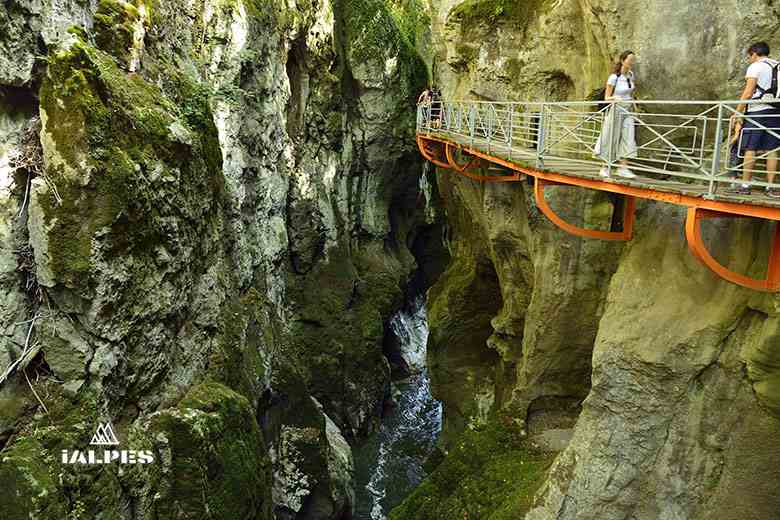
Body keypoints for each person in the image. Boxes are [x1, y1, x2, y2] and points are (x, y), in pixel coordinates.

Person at [733, 41, 780, 197]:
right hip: (776, 111)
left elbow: (748, 92)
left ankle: (745, 185)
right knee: (772, 150)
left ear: (754, 53)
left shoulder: (756, 66)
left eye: (749, 56)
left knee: (750, 148)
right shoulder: (777, 66)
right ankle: (770, 187)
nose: (749, 59)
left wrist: (737, 112)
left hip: (757, 111)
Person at [594, 50, 638, 178]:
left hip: (628, 110)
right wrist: (615, 98)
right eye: (630, 60)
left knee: (628, 136)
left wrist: (635, 107)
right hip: (616, 109)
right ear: (623, 60)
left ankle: (623, 167)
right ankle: (605, 167)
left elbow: (631, 94)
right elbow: (607, 97)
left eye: (633, 60)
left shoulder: (630, 75)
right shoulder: (614, 77)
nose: (632, 62)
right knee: (611, 136)